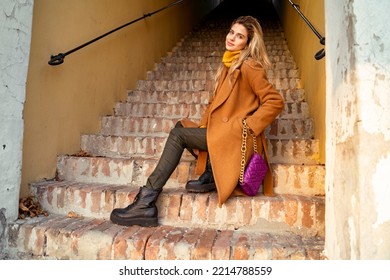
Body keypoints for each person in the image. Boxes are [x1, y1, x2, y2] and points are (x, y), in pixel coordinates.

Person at [110, 15, 285, 227]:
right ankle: (211, 172)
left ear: (247, 43)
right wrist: (204, 126)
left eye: (239, 37)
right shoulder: (229, 65)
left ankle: (146, 202)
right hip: (222, 132)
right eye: (231, 32)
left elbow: (275, 101)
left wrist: (247, 125)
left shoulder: (249, 66)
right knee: (181, 126)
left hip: (235, 136)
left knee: (178, 136)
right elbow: (214, 105)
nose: (231, 38)